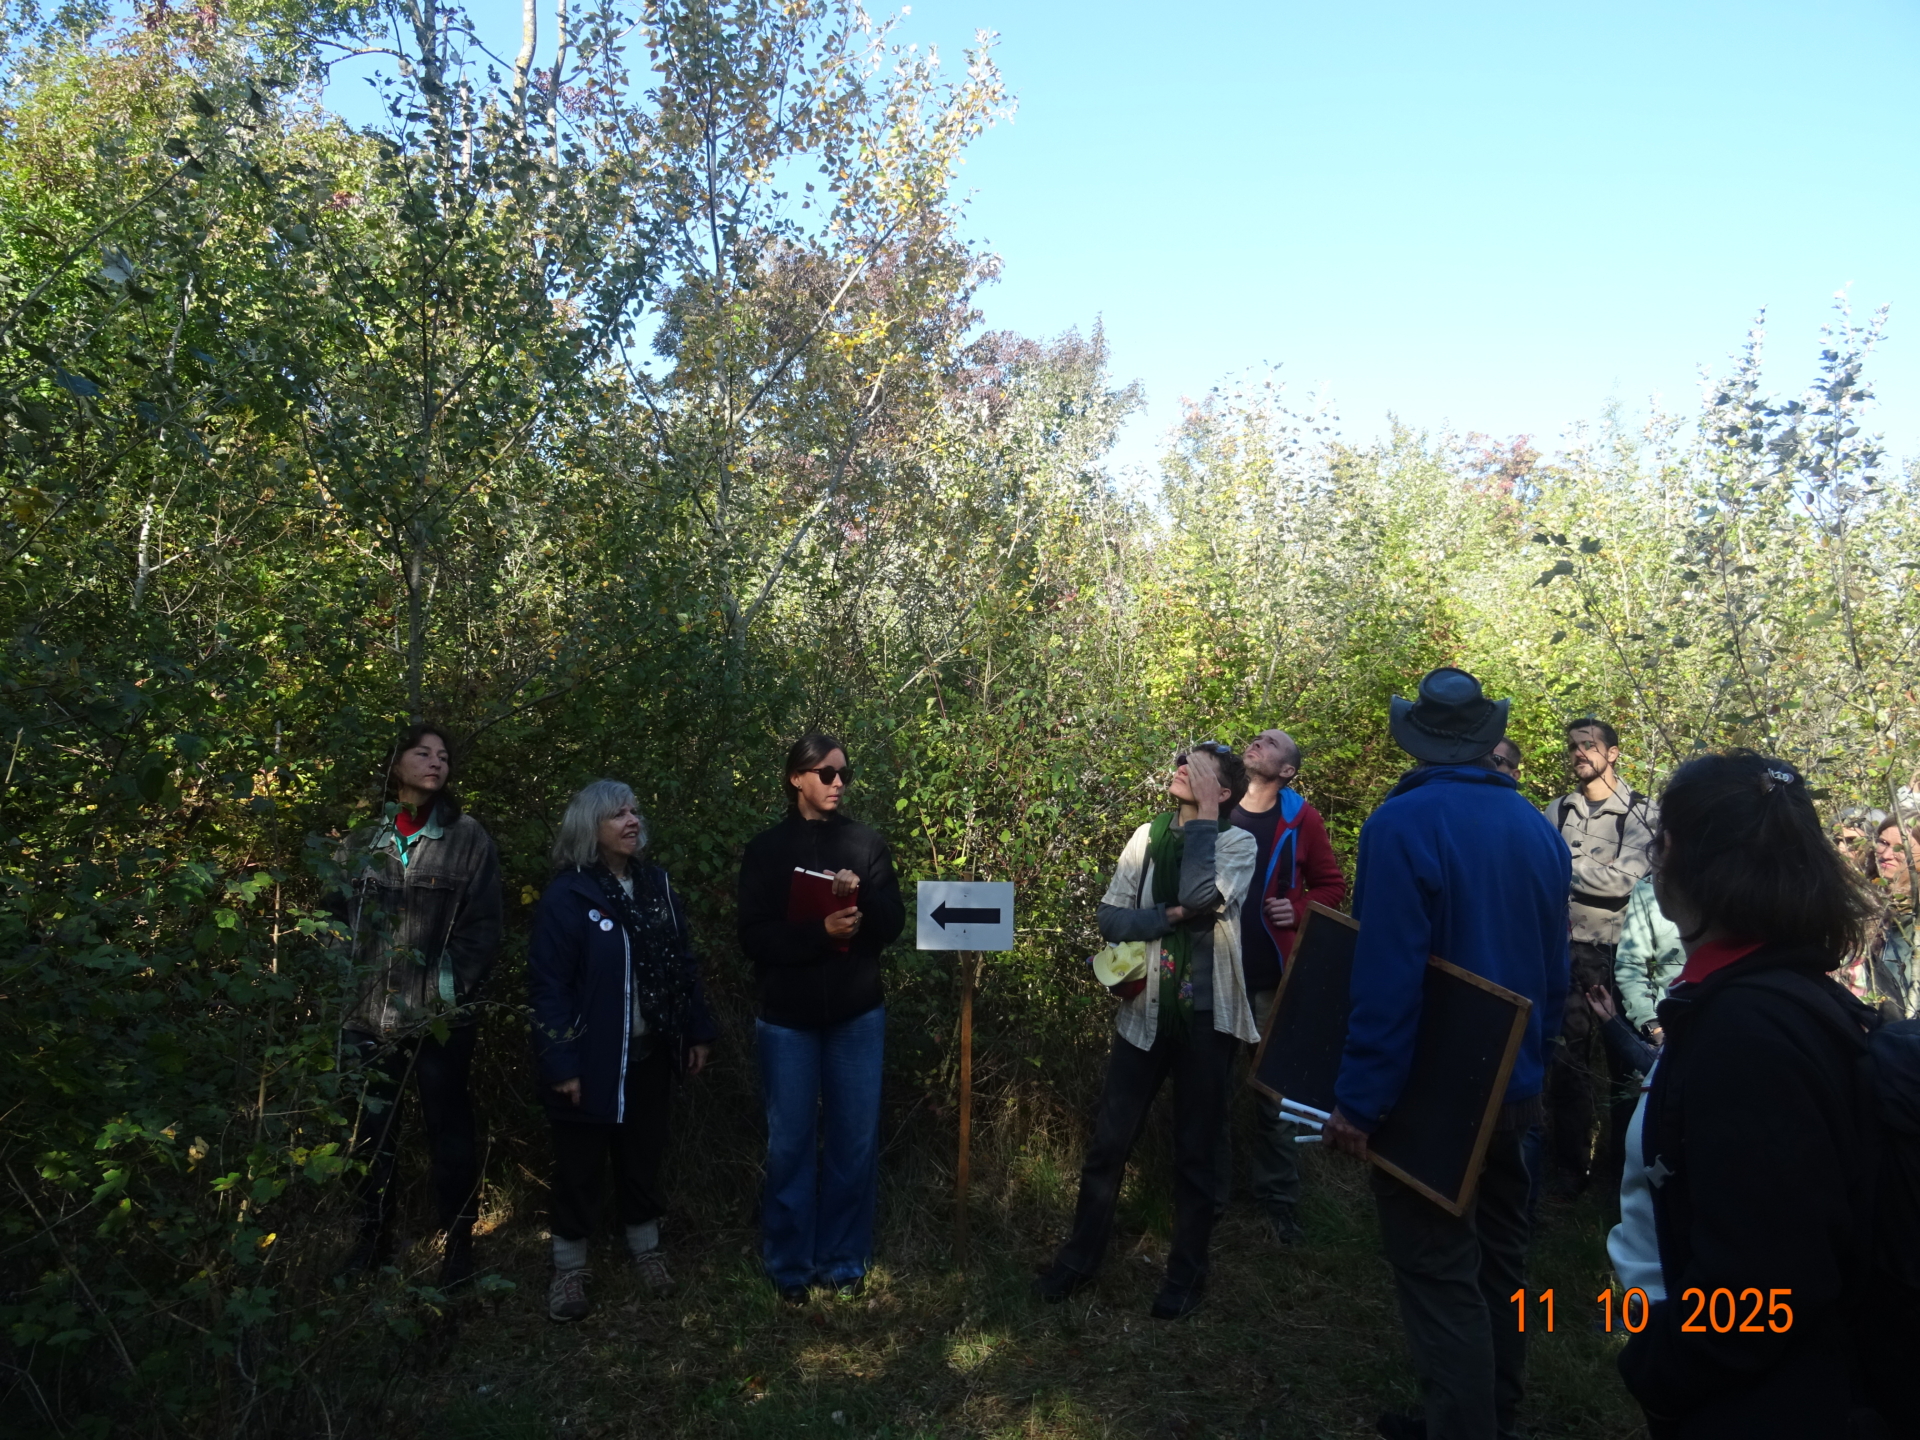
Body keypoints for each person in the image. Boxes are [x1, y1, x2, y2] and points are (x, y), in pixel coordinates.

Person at [1320, 668, 1570, 1440]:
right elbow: (1554, 973)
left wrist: (1360, 1102)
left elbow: (1388, 976)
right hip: (1518, 1085)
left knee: (1438, 1272)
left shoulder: (1401, 823)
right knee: (1502, 1262)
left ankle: (1464, 1428)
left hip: (1434, 1101)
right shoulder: (1538, 828)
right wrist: (1539, 1064)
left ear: (1419, 738)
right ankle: (1497, 1415)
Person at [1608, 750, 1882, 1437]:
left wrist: (1661, 1373)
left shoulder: (1748, 1034)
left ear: (1675, 853)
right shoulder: (1776, 998)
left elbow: (1766, 1284)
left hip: (1753, 1407)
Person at [1037, 742, 1257, 1320]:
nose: (1181, 769)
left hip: (1209, 1020)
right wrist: (1170, 919)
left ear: (1224, 792)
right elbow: (1111, 916)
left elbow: (1200, 894)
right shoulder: (1145, 835)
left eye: (1199, 770)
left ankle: (1185, 1276)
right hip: (1143, 1014)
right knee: (1108, 1144)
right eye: (1183, 762)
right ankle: (1078, 1261)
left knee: (1195, 1153)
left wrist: (1204, 826)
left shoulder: (1237, 842)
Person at [529, 781, 717, 1322]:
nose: (632, 821)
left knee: (643, 1154)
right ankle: (568, 1269)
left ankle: (647, 1250)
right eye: (618, 814)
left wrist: (696, 1031)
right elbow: (549, 986)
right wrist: (560, 1060)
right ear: (590, 828)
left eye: (635, 810)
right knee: (579, 1164)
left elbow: (683, 965)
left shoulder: (655, 885)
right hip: (590, 1058)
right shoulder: (569, 895)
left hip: (651, 1051)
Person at [332, 723, 503, 1288]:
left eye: (444, 756)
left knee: (448, 1134)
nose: (435, 763)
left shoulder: (468, 837)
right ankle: (371, 1240)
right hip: (364, 1019)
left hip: (437, 1021)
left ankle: (458, 1246)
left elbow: (482, 930)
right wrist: (344, 988)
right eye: (422, 753)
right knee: (369, 1135)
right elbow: (335, 926)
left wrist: (437, 997)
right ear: (395, 763)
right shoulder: (359, 842)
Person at [736, 733, 905, 1303]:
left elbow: (894, 925)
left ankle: (842, 1262)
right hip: (787, 1020)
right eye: (825, 774)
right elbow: (753, 939)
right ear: (796, 779)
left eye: (843, 774)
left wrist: (865, 900)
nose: (837, 783)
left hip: (857, 1016)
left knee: (853, 1142)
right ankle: (789, 1267)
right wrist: (819, 933)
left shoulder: (865, 844)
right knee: (790, 1144)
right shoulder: (765, 850)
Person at [1218, 728, 1346, 1243]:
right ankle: (1211, 1195)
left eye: (1271, 744)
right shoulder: (1219, 805)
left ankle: (1278, 1202)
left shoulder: (1301, 818)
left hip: (1270, 978)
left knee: (1274, 1095)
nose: (1257, 743)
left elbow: (1333, 885)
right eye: (1257, 739)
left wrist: (1294, 910)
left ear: (1287, 770)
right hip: (1214, 975)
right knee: (1210, 1091)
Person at [1544, 717, 1658, 1196]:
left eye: (1589, 746)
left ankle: (1620, 1178)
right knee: (1566, 1064)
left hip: (1622, 959)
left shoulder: (1642, 813)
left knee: (1627, 1071)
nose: (1579, 753)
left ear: (1612, 753)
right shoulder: (1555, 810)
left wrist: (1561, 862)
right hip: (1561, 951)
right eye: (1573, 746)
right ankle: (1567, 1174)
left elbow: (1623, 882)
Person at [1613, 878, 1685, 1046]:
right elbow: (1630, 966)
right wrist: (1652, 1027)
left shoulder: (1741, 876)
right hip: (1669, 1030)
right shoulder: (1650, 887)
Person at [1867, 814, 1915, 1016]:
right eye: (1883, 843)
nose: (1886, 854)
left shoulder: (1914, 917)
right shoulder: (1860, 898)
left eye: (1900, 848)